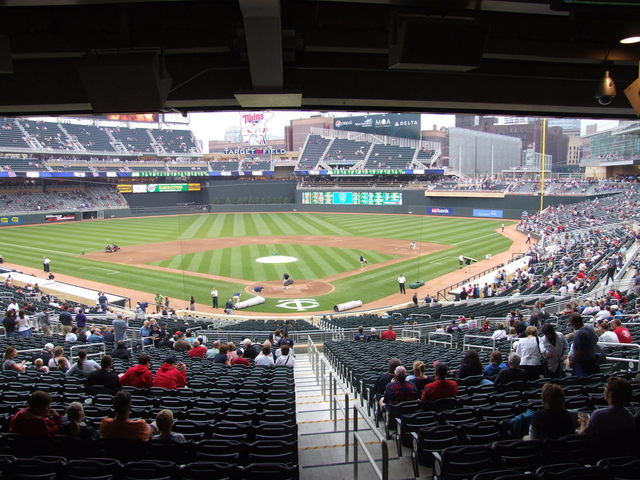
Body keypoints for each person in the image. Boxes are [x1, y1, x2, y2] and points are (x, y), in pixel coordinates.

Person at [579, 377, 635, 441]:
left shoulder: (598, 415)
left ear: (610, 393)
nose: (604, 389)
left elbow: (582, 437)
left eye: (605, 387)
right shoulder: (629, 417)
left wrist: (583, 423)